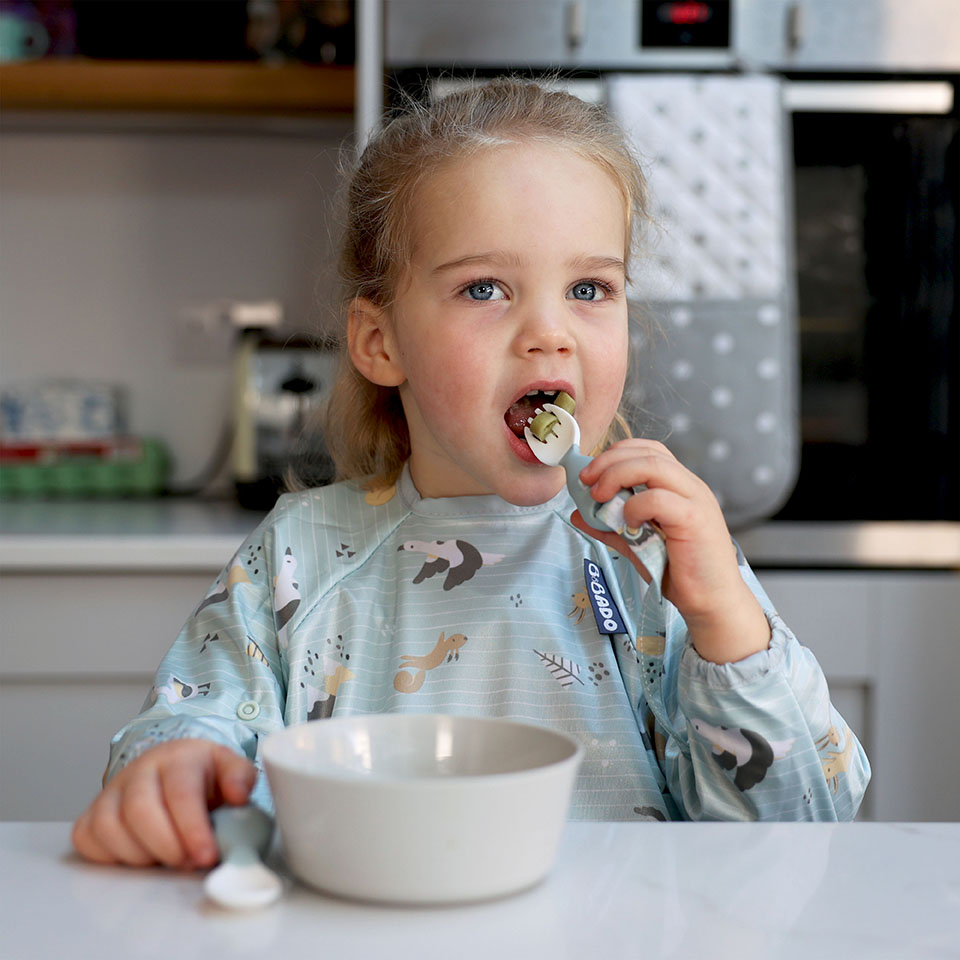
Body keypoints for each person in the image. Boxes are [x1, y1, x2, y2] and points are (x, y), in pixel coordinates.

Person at [73, 79, 870, 871]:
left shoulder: (661, 568)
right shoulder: (300, 557)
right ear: (380, 342)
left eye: (590, 289)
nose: (549, 333)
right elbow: (188, 739)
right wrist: (173, 772)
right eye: (484, 288)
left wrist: (727, 623)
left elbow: (804, 825)